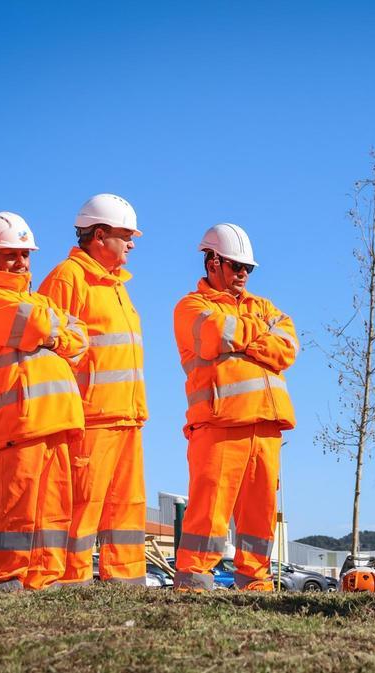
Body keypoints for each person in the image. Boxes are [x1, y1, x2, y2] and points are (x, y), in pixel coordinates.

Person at [0, 212, 87, 590]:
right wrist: (55, 330)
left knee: (54, 508)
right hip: (18, 423)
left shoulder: (36, 301)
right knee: (15, 507)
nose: (20, 262)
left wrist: (54, 330)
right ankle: (6, 577)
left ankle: (45, 578)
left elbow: (80, 339)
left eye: (25, 254)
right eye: (10, 254)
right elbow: (39, 326)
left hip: (57, 421)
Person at [172, 223, 298, 591]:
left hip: (267, 424)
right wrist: (260, 334)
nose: (243, 274)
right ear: (212, 262)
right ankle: (195, 576)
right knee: (209, 507)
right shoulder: (191, 307)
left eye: (249, 268)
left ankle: (255, 580)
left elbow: (288, 346)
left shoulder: (264, 306)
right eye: (235, 265)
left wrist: (240, 336)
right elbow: (214, 335)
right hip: (219, 423)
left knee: (260, 513)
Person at [38, 194, 148, 586]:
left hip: (127, 418)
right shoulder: (68, 278)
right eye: (126, 235)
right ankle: (72, 580)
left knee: (126, 508)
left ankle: (126, 583)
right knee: (82, 505)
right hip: (90, 419)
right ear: (99, 235)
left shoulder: (116, 285)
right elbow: (50, 351)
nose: (132, 243)